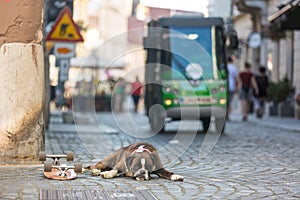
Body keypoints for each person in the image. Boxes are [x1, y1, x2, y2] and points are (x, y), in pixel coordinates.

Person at [227, 56, 238, 121]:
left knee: (225, 101)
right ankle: (227, 115)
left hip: (225, 86)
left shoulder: (224, 66)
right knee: (229, 101)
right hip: (231, 86)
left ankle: (226, 115)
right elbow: (236, 78)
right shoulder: (233, 68)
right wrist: (237, 87)